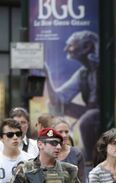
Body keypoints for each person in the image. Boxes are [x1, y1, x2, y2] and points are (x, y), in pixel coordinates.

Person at [46, 30, 100, 161]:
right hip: (92, 112)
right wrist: (46, 75)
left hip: (100, 114)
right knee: (52, 104)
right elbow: (58, 99)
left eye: (70, 45)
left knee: (87, 119)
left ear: (87, 47)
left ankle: (91, 159)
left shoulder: (101, 67)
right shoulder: (83, 73)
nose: (66, 49)